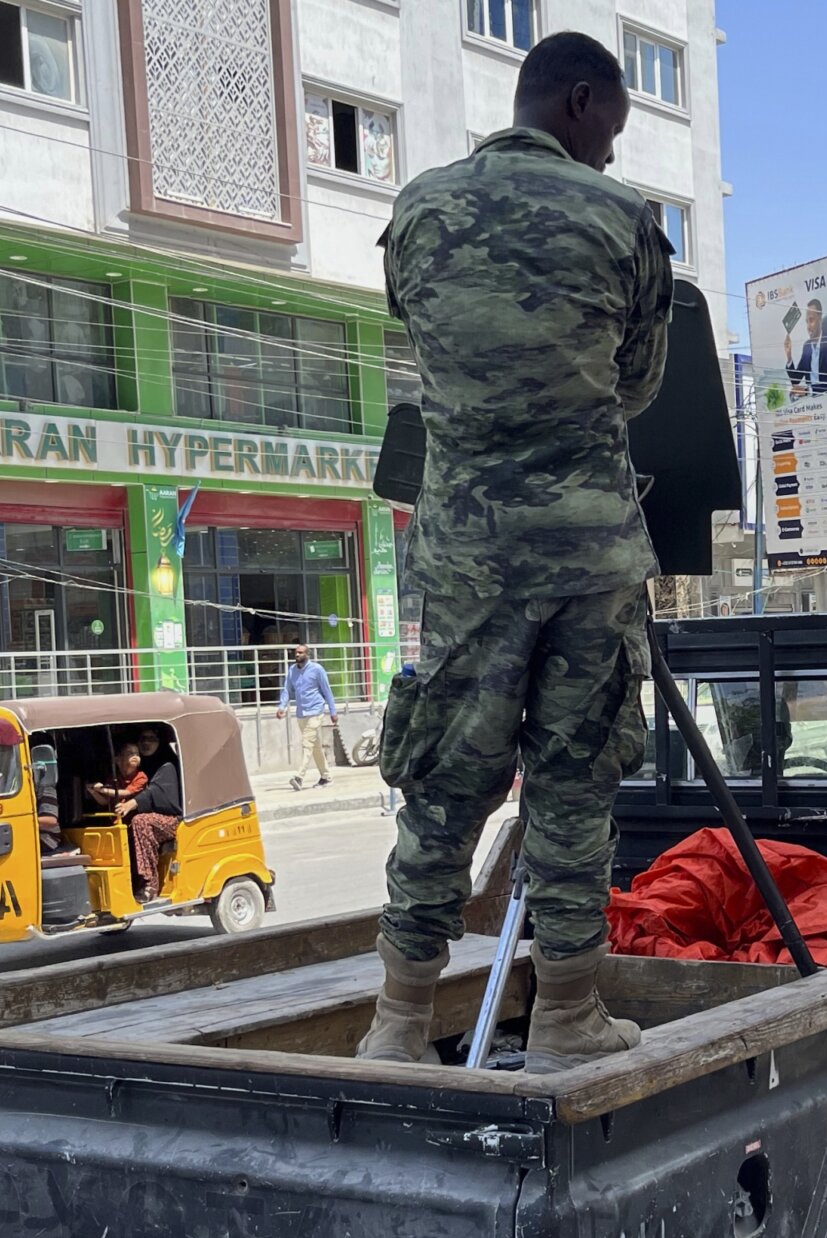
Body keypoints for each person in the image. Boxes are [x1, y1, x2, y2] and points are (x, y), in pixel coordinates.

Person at [361, 29, 673, 1073]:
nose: (611, 159)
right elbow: (634, 384)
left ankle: (398, 1020)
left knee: (448, 771)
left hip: (466, 550)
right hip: (586, 544)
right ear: (581, 102)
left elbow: (423, 344)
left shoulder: (419, 211)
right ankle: (568, 1014)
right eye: (611, 134)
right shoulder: (624, 220)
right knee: (575, 777)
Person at [118, 743, 183, 900]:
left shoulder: (166, 766)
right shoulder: (141, 768)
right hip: (147, 820)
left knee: (141, 821)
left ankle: (150, 883)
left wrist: (132, 804)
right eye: (143, 739)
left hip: (171, 820)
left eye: (151, 739)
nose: (146, 743)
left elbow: (154, 791)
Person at [276, 642, 340, 790]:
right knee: (315, 746)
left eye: (301, 652)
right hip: (301, 713)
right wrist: (282, 707)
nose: (297, 655)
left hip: (315, 711)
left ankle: (299, 776)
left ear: (307, 654)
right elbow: (287, 690)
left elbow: (327, 691)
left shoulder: (317, 670)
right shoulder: (292, 670)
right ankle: (326, 777)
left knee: (307, 744)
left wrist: (333, 711)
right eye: (296, 652)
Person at [791, 296, 827, 392]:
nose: (808, 326)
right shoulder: (807, 347)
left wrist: (808, 391)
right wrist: (789, 357)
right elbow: (796, 378)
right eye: (807, 322)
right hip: (811, 404)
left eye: (811, 320)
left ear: (820, 318)